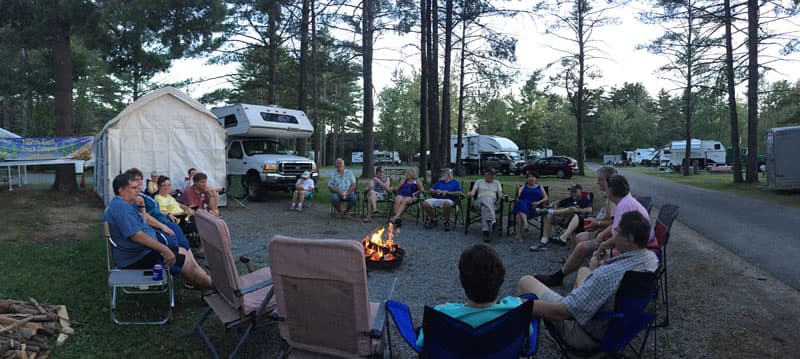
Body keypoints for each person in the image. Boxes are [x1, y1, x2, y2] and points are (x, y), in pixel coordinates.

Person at [517, 211, 658, 352]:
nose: (614, 235)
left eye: (617, 231)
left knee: (526, 281)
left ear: (629, 239)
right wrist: (595, 267)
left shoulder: (606, 275)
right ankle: (577, 297)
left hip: (586, 336)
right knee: (584, 270)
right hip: (617, 327)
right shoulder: (651, 259)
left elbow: (561, 313)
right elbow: (612, 275)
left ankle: (517, 343)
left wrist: (518, 304)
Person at [535, 174, 654, 287]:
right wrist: (601, 235)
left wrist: (602, 244)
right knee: (581, 238)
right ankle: (566, 275)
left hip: (634, 247)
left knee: (582, 247)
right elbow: (616, 227)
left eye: (607, 188)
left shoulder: (625, 206)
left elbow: (620, 235)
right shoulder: (624, 202)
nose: (605, 190)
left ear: (612, 190)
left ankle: (574, 278)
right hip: (630, 241)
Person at [104, 172, 213, 290]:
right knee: (184, 258)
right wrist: (164, 249)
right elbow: (136, 236)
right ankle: (212, 286)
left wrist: (141, 206)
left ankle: (206, 282)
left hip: (141, 252)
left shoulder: (124, 204)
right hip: (137, 258)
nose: (138, 190)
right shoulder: (121, 208)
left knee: (183, 251)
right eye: (134, 188)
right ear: (121, 190)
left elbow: (143, 220)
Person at [416, 243, 524, 348]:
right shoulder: (516, 311)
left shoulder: (441, 315)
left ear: (462, 281)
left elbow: (422, 344)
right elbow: (526, 342)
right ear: (501, 279)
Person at [125, 169, 190, 251]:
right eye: (136, 179)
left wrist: (169, 214)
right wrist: (163, 225)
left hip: (166, 220)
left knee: (182, 242)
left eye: (141, 179)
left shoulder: (142, 195)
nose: (140, 181)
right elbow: (145, 217)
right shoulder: (135, 199)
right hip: (159, 224)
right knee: (176, 243)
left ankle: (192, 262)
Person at [529, 183, 593, 252]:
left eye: (574, 191)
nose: (572, 193)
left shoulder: (585, 199)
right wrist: (557, 211)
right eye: (571, 191)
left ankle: (548, 211)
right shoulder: (569, 199)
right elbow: (557, 203)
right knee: (548, 216)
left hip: (575, 222)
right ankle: (544, 241)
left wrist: (578, 210)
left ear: (580, 191)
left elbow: (589, 209)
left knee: (572, 209)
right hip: (563, 219)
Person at [510, 171, 548, 242]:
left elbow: (546, 198)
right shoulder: (524, 186)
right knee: (520, 203)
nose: (531, 178)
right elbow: (517, 196)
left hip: (533, 207)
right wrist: (517, 189)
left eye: (533, 177)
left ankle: (519, 235)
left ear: (536, 178)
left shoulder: (540, 187)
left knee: (519, 211)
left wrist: (538, 202)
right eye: (529, 177)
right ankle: (525, 224)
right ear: (527, 179)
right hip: (523, 205)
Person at [467, 168, 503, 242]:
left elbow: (500, 195)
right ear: (485, 174)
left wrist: (504, 197)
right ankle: (493, 222)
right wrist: (470, 194)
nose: (492, 176)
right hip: (479, 202)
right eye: (490, 174)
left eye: (493, 175)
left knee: (485, 208)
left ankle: (486, 232)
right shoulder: (479, 181)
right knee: (486, 199)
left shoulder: (497, 183)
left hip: (493, 204)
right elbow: (473, 192)